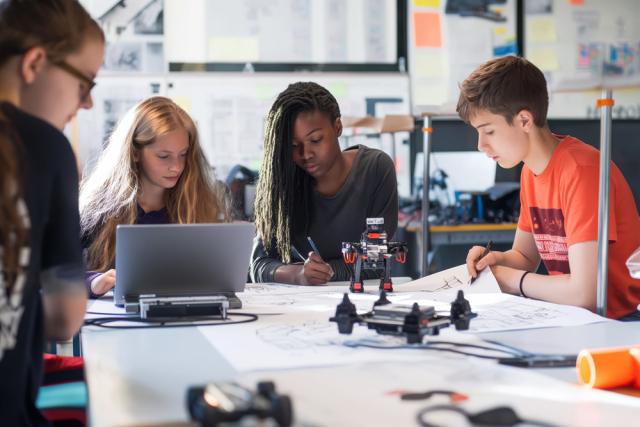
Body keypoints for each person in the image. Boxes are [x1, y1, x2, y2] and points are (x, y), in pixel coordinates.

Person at [458, 55, 640, 320]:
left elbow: (584, 293)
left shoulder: (581, 170)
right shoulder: (530, 171)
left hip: (620, 321)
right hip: (577, 318)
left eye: (489, 131)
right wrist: (494, 260)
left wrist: (511, 280)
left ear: (524, 120)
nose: (480, 145)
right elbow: (524, 256)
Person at [0, 0, 105, 424]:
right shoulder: (45, 150)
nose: (87, 104)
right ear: (35, 63)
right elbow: (65, 318)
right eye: (85, 84)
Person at [80, 96, 231, 298]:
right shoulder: (97, 209)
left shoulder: (199, 203)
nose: (176, 166)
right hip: (118, 323)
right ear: (135, 153)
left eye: (183, 154)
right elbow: (52, 275)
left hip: (186, 315)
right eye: (164, 156)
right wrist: (92, 283)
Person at [251, 82, 398, 285]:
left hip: (360, 300)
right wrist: (297, 275)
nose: (306, 154)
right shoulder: (284, 181)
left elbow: (375, 260)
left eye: (316, 140)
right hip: (298, 302)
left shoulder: (376, 169)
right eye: (294, 146)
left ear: (337, 127)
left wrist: (328, 271)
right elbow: (259, 265)